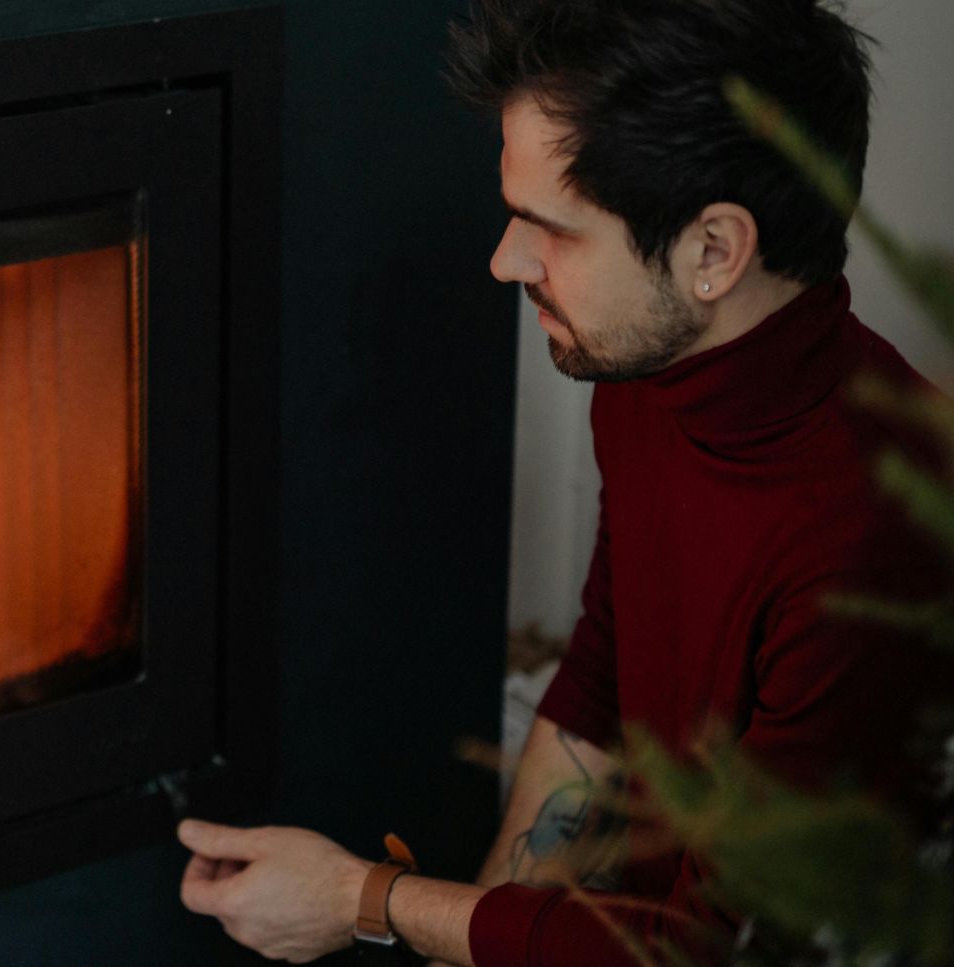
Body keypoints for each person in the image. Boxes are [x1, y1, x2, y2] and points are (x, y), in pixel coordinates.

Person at [177, 1, 946, 963]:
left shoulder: (873, 535)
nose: (505, 262)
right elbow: (602, 676)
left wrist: (363, 900)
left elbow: (717, 949)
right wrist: (485, 919)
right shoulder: (651, 373)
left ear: (714, 250)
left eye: (553, 229)